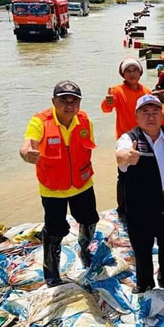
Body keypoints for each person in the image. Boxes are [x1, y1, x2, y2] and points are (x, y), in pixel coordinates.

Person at [20, 81, 99, 286]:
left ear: (79, 103)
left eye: (74, 101)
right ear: (54, 101)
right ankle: (52, 274)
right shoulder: (40, 121)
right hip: (53, 188)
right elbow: (29, 142)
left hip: (82, 184)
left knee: (90, 220)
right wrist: (27, 153)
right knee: (55, 231)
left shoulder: (85, 121)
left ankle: (84, 250)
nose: (69, 105)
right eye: (64, 100)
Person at [115, 95, 164, 292]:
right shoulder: (130, 139)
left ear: (162, 115)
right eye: (145, 112)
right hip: (140, 210)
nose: (150, 117)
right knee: (142, 251)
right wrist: (126, 157)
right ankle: (144, 284)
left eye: (155, 112)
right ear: (136, 116)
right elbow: (120, 155)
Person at [101, 58, 152, 221]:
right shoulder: (117, 91)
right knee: (124, 176)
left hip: (145, 136)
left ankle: (142, 203)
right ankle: (122, 209)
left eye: (134, 70)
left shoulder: (146, 91)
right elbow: (106, 109)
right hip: (126, 139)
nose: (131, 74)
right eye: (128, 71)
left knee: (144, 174)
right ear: (123, 74)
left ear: (140, 72)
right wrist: (107, 102)